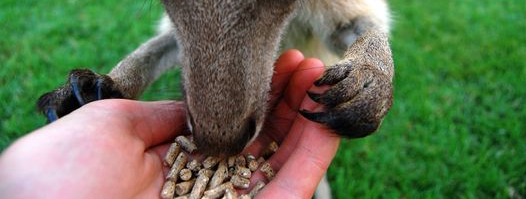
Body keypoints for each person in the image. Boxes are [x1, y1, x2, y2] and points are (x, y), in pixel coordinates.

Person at [0, 50, 340, 198]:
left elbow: (363, 16)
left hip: (306, 74)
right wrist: (119, 81)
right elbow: (170, 40)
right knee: (293, 140)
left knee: (303, 126)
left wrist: (374, 67)